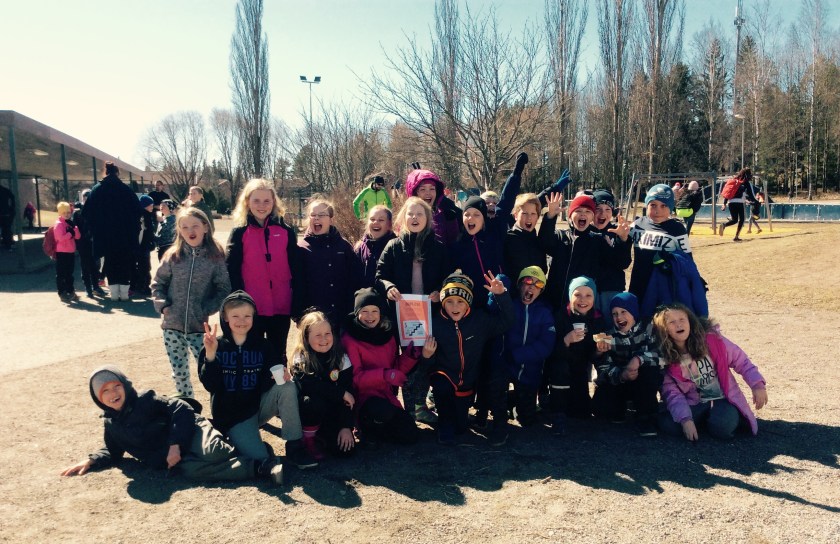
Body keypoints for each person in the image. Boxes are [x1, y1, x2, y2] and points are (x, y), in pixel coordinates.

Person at [60, 366, 283, 485]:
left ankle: (250, 447)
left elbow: (181, 408)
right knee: (192, 471)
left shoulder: (145, 400)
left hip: (190, 429)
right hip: (177, 458)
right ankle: (259, 467)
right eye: (104, 391)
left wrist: (175, 444)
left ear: (125, 385)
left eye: (116, 386)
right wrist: (92, 460)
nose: (113, 393)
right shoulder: (111, 424)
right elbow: (112, 449)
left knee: (216, 452)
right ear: (98, 398)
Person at [198, 291, 315, 469]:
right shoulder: (215, 345)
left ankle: (294, 446)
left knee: (287, 387)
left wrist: (281, 374)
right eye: (235, 316)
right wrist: (211, 355)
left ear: (254, 317)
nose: (242, 321)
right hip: (232, 416)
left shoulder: (263, 345)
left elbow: (272, 377)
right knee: (260, 458)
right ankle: (245, 440)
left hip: (256, 407)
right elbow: (210, 385)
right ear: (225, 317)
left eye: (247, 316)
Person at [375, 196, 450, 424]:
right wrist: (389, 287)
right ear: (403, 218)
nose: (414, 218)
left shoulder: (438, 247)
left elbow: (448, 277)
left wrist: (440, 291)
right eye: (410, 214)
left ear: (428, 218)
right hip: (402, 316)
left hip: (431, 314)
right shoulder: (394, 246)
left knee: (427, 360)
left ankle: (420, 405)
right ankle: (408, 410)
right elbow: (380, 275)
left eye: (419, 214)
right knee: (407, 361)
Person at [653, 303, 768, 441]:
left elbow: (741, 361)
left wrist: (757, 385)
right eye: (672, 322)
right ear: (664, 330)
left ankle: (722, 418)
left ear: (690, 321)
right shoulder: (665, 359)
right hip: (694, 401)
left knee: (722, 427)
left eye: (682, 319)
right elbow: (672, 393)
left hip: (722, 398)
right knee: (669, 424)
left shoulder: (713, 340)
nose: (679, 324)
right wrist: (685, 419)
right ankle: (698, 422)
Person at [425, 270, 513, 445]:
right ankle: (444, 424)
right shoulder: (434, 323)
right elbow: (425, 365)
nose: (455, 307)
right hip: (445, 377)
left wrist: (501, 295)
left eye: (460, 301)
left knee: (460, 428)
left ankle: (457, 418)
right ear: (443, 303)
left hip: (468, 381)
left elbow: (507, 322)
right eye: (449, 301)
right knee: (442, 387)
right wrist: (426, 356)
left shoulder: (479, 320)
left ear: (468, 303)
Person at [152, 207, 231, 398]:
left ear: (205, 227)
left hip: (199, 327)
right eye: (185, 227)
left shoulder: (215, 257)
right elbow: (158, 283)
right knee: (179, 373)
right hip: (172, 326)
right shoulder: (173, 255)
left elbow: (223, 288)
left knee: (209, 369)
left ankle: (219, 405)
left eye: (195, 226)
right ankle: (187, 406)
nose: (190, 231)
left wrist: (208, 308)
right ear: (179, 230)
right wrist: (163, 306)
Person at [341, 287, 430, 447]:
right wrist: (384, 375)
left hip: (386, 395)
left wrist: (410, 356)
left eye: (374, 311)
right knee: (380, 410)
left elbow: (395, 368)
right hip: (363, 399)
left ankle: (379, 431)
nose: (370, 316)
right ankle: (366, 429)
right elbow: (355, 378)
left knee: (410, 435)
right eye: (364, 311)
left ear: (380, 312)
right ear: (356, 313)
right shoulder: (350, 339)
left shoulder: (387, 334)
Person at [226, 178, 302, 363]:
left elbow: (296, 269)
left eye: (267, 201)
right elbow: (231, 270)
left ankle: (279, 382)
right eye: (256, 201)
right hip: (251, 308)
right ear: (247, 202)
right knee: (252, 355)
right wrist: (237, 301)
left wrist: (298, 302)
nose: (262, 205)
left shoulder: (285, 231)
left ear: (274, 202)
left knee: (278, 354)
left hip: (281, 306)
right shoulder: (239, 233)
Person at [539, 192, 629, 310]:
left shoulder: (597, 240)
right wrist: (550, 217)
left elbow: (621, 263)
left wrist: (622, 240)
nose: (583, 214)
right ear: (570, 216)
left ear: (592, 217)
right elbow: (544, 243)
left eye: (587, 211)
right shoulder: (561, 237)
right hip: (556, 300)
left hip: (582, 305)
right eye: (578, 211)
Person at [592, 292, 662, 436]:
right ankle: (620, 407)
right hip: (621, 383)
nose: (619, 317)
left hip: (643, 382)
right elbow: (603, 367)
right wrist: (621, 375)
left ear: (634, 312)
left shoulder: (649, 328)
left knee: (651, 371)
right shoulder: (608, 336)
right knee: (600, 408)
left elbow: (661, 356)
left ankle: (645, 416)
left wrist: (638, 360)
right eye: (615, 314)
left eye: (624, 312)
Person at [291, 309, 357, 461]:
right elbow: (310, 385)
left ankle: (324, 436)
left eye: (327, 333)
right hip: (309, 412)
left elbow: (348, 392)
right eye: (318, 335)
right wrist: (340, 393)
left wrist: (346, 426)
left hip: (332, 411)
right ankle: (308, 439)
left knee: (346, 451)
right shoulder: (301, 357)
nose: (324, 339)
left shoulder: (341, 357)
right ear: (306, 337)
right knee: (312, 401)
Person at [546, 276, 606, 433]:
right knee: (560, 368)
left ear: (594, 298)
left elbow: (594, 356)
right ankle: (557, 413)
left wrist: (599, 350)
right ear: (570, 295)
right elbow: (550, 351)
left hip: (581, 368)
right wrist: (566, 340)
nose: (583, 300)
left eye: (588, 295)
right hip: (560, 365)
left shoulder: (597, 318)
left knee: (581, 413)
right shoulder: (560, 316)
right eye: (577, 294)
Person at [500, 266, 556, 428]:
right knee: (497, 397)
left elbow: (546, 345)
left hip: (529, 372)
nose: (532, 287)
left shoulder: (545, 313)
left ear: (541, 291)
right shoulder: (510, 306)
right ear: (519, 285)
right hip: (507, 366)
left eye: (538, 284)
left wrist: (518, 355)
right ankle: (508, 403)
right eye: (528, 281)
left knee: (527, 420)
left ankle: (517, 403)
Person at [628, 183, 693, 314]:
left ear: (671, 207)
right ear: (647, 205)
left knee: (661, 319)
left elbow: (688, 260)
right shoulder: (637, 225)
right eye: (653, 205)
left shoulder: (677, 229)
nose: (658, 211)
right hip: (639, 283)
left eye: (664, 206)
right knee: (637, 317)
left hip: (665, 286)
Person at [298, 197, 363, 325]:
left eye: (321, 215)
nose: (316, 218)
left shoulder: (344, 246)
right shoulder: (301, 248)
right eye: (313, 215)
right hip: (314, 318)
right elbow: (297, 285)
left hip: (342, 314)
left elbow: (354, 279)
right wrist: (298, 315)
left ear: (331, 219)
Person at [82, 162, 141, 302]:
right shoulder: (126, 190)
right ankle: (124, 294)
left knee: (110, 263)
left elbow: (87, 213)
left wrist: (95, 230)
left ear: (105, 172)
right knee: (124, 263)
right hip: (124, 236)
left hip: (105, 236)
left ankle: (114, 294)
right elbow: (137, 212)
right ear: (117, 173)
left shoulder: (97, 189)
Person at [591, 189, 632, 326]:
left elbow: (624, 263)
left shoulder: (618, 232)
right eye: (598, 209)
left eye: (607, 209)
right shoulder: (584, 230)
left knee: (611, 327)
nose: (602, 214)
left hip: (611, 289)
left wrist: (623, 240)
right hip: (589, 291)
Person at [404, 166, 461, 246]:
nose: (428, 193)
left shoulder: (444, 217)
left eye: (432, 189)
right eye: (423, 189)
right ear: (415, 193)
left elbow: (453, 245)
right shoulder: (406, 218)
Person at [503, 193, 546, 285]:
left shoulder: (538, 241)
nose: (529, 217)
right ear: (515, 215)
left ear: (538, 217)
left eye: (533, 214)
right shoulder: (507, 239)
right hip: (511, 291)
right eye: (524, 213)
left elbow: (543, 271)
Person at [73, 190, 105, 298]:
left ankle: (95, 286)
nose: (86, 199)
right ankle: (88, 288)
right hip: (83, 243)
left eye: (88, 197)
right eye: (85, 197)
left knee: (95, 266)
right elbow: (75, 227)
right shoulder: (77, 212)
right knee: (85, 266)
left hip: (93, 242)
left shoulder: (96, 210)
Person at [354, 205, 396, 288]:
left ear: (389, 224)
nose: (376, 222)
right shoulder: (360, 248)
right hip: (364, 295)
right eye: (372, 219)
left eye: (381, 220)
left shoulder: (396, 247)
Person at [718, 167, 757, 242]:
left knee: (734, 219)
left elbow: (728, 193)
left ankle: (724, 225)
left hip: (731, 203)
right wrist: (755, 202)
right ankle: (736, 236)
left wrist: (724, 204)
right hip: (740, 203)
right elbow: (751, 195)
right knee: (742, 219)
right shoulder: (745, 182)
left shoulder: (733, 180)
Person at [53, 201, 81, 302]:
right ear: (60, 213)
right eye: (64, 213)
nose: (67, 214)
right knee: (61, 273)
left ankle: (70, 290)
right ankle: (62, 292)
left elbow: (78, 236)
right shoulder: (59, 224)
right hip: (61, 252)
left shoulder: (70, 223)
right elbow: (59, 238)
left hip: (70, 251)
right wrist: (70, 234)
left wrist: (75, 228)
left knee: (69, 273)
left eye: (68, 212)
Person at [130, 195, 156, 298]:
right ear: (145, 205)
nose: (152, 207)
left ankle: (138, 285)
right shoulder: (145, 216)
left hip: (139, 246)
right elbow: (145, 232)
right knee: (145, 267)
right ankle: (144, 286)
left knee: (140, 266)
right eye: (151, 205)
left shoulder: (137, 214)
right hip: (142, 246)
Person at [0, 183, 14, 250]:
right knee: (7, 229)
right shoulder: (5, 190)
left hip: (5, 213)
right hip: (6, 213)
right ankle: (8, 244)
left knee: (6, 229)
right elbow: (12, 198)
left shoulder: (5, 190)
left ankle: (6, 243)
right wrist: (11, 209)